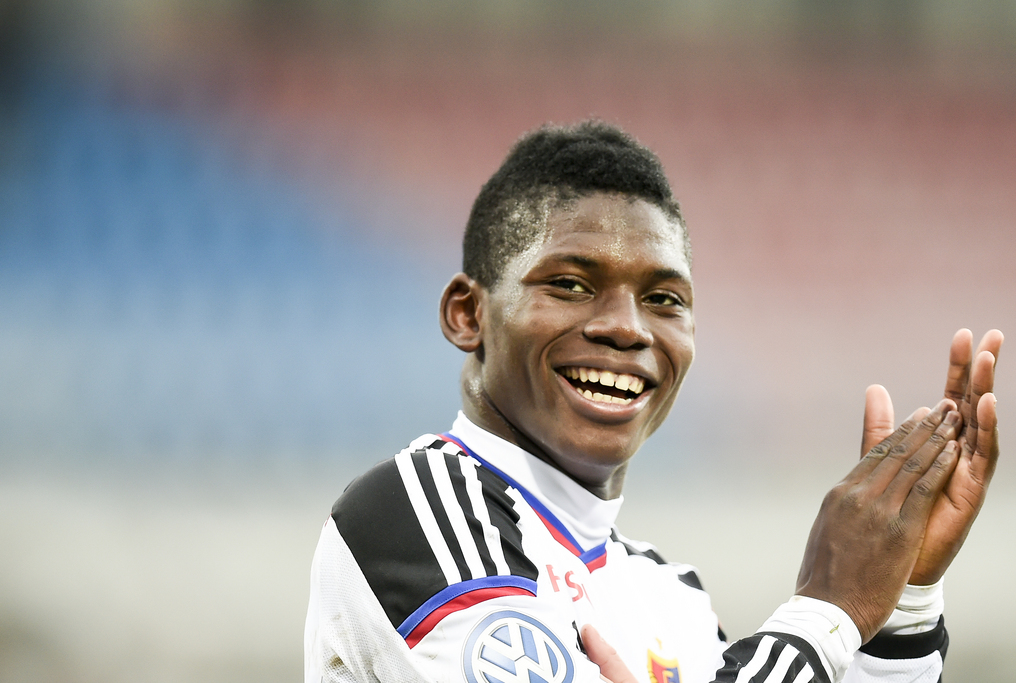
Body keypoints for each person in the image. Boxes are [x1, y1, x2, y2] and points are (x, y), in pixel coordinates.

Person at [303, 121, 1002, 683]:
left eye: (663, 299)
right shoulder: (418, 513)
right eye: (572, 283)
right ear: (468, 314)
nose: (627, 328)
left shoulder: (671, 595)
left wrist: (900, 597)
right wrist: (829, 604)